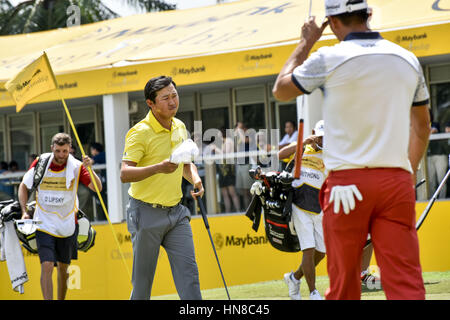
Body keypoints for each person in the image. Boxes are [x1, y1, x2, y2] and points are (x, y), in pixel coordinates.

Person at [272, 0, 430, 300]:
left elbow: (281, 89)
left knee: (344, 286)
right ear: (368, 14)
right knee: (406, 284)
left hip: (347, 184)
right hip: (396, 181)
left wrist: (306, 41)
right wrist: (407, 174)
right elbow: (422, 127)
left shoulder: (328, 57)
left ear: (331, 22)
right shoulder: (407, 59)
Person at [120, 75, 204, 300]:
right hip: (145, 213)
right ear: (151, 103)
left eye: (174, 95)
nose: (172, 101)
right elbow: (124, 173)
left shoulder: (179, 126)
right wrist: (158, 168)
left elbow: (186, 164)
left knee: (190, 277)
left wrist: (195, 180)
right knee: (142, 284)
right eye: (165, 98)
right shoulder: (139, 132)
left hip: (176, 213)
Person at [17, 133, 102, 300]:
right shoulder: (41, 163)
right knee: (47, 265)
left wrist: (90, 168)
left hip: (68, 224)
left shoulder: (77, 166)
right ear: (52, 149)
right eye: (58, 151)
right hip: (44, 223)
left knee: (63, 269)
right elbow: (23, 186)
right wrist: (24, 211)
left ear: (70, 149)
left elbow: (97, 188)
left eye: (65, 151)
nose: (61, 155)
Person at [281, 120, 326, 300]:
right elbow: (279, 154)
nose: (321, 141)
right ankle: (313, 292)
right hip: (299, 204)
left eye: (324, 138)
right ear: (313, 133)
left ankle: (294, 277)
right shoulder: (302, 147)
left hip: (319, 206)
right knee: (308, 249)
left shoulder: (330, 154)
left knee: (321, 252)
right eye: (319, 136)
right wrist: (303, 142)